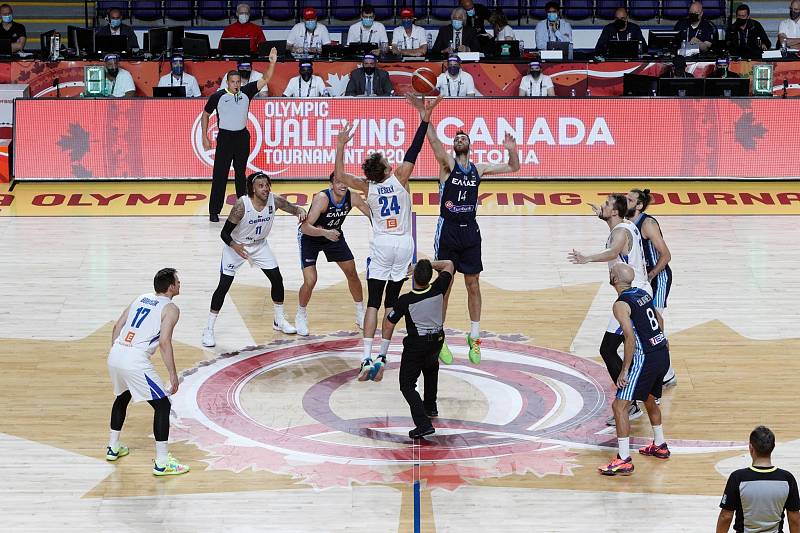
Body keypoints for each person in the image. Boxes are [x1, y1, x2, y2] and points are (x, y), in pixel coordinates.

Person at [334, 95, 438, 382]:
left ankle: (366, 357)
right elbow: (415, 148)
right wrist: (424, 117)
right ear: (388, 169)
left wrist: (341, 145)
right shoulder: (401, 177)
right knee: (392, 303)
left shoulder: (367, 186)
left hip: (381, 244)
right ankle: (382, 355)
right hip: (403, 244)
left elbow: (340, 175)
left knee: (373, 303)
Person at [409, 94, 519, 366]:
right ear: (453, 145)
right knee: (444, 287)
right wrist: (426, 115)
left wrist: (511, 149)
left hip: (470, 230)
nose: (460, 139)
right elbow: (433, 143)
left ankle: (475, 337)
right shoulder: (447, 166)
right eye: (456, 137)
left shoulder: (478, 169)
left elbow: (514, 166)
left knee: (473, 284)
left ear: (469, 144)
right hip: (447, 231)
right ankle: (438, 336)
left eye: (464, 137)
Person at [567, 194, 651, 425]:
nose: (601, 206)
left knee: (608, 348)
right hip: (641, 292)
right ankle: (645, 393)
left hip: (633, 297)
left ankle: (630, 403)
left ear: (615, 212)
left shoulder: (620, 232)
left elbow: (614, 251)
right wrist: (603, 219)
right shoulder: (625, 226)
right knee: (633, 347)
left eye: (606, 205)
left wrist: (586, 258)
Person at [202, 172, 307, 347]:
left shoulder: (275, 200)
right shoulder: (241, 205)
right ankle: (209, 328)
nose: (265, 188)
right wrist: (235, 246)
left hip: (260, 246)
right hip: (236, 246)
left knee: (277, 279)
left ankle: (278, 320)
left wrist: (299, 211)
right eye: (261, 185)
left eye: (267, 185)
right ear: (252, 188)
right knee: (224, 285)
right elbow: (224, 233)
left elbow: (292, 207)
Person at [106, 268, 189, 476]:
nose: (179, 284)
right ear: (170, 287)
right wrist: (172, 374)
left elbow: (117, 326)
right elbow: (164, 342)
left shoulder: (141, 297)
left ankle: (113, 447)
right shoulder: (171, 308)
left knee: (122, 397)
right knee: (162, 405)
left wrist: (117, 353)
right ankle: (162, 462)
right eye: (177, 282)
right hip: (135, 360)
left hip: (116, 353)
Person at [597, 263, 671, 476]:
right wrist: (659, 341)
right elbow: (659, 319)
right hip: (661, 353)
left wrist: (624, 370)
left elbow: (629, 338)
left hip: (645, 358)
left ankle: (623, 460)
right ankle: (660, 444)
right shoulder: (642, 293)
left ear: (614, 278)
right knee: (649, 398)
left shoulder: (620, 304)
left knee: (619, 406)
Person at [201, 48, 277, 222]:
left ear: (241, 82)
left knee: (241, 174)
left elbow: (265, 79)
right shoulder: (218, 96)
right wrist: (204, 136)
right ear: (227, 83)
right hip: (225, 138)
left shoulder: (246, 93)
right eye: (232, 81)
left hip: (242, 137)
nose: (236, 84)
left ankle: (244, 209)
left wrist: (271, 63)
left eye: (238, 81)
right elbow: (205, 114)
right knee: (220, 174)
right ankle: (214, 211)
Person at [383, 259, 455, 439]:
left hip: (416, 345)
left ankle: (423, 424)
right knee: (431, 370)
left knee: (407, 385)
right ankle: (431, 407)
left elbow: (389, 323)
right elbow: (449, 265)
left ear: (413, 277)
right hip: (437, 340)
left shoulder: (405, 300)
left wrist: (382, 352)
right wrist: (427, 264)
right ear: (430, 277)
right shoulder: (439, 287)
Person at [296, 172, 371, 336]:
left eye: (344, 182)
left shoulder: (353, 197)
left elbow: (373, 215)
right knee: (311, 280)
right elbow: (304, 227)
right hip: (311, 237)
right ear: (331, 185)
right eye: (338, 182)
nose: (343, 185)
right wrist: (324, 233)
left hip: (333, 235)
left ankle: (360, 313)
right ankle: (300, 314)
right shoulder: (322, 199)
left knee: (352, 272)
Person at [626, 188, 677, 388]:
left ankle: (667, 373)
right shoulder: (626, 220)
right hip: (643, 280)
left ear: (639, 205)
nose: (626, 201)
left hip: (659, 277)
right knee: (644, 326)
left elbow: (666, 255)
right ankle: (659, 369)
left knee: (655, 324)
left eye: (630, 199)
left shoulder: (648, 224)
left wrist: (650, 275)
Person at [717, 426, 800, 533]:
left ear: (751, 447)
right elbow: (794, 519)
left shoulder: (737, 478)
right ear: (773, 447)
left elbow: (726, 516)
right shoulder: (787, 479)